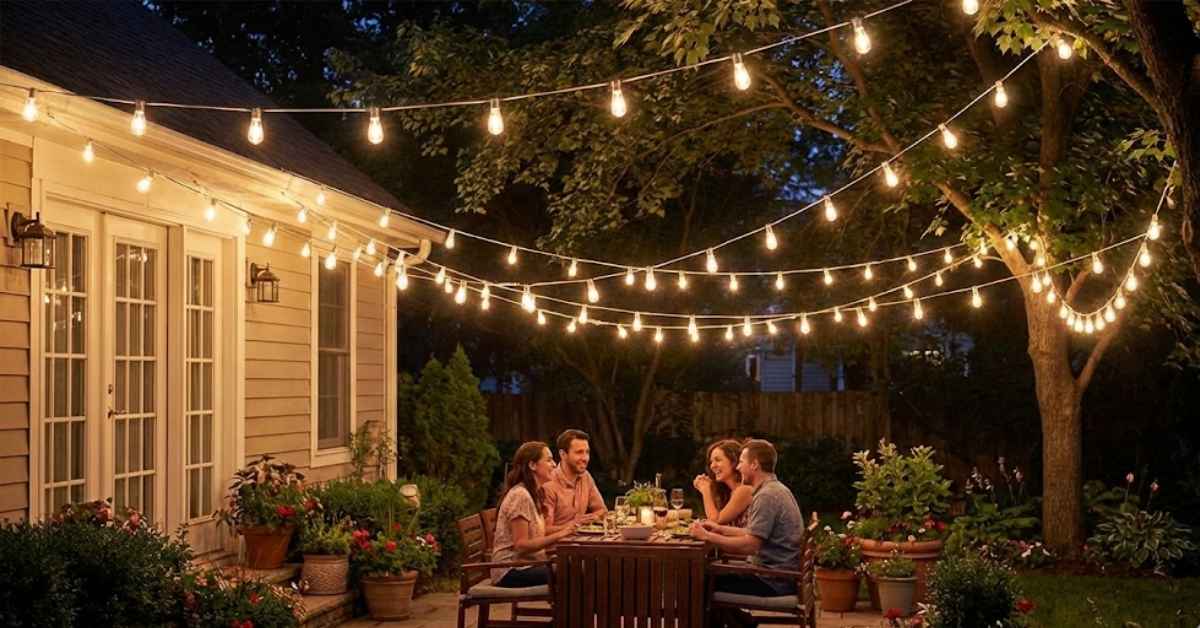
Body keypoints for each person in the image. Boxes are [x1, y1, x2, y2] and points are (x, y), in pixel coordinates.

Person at [690, 439, 804, 598]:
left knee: (696, 581)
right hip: (775, 574)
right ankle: (742, 622)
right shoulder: (774, 489)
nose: (738, 467)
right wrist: (720, 529)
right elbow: (753, 533)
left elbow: (750, 546)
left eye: (741, 462)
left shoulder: (767, 496)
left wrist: (708, 536)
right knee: (702, 577)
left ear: (754, 465)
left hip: (773, 580)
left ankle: (741, 623)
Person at [490, 441, 576, 587]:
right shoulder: (520, 495)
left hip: (528, 564)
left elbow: (537, 534)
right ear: (532, 465)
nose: (555, 464)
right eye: (549, 460)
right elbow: (521, 545)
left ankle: (572, 610)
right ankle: (571, 610)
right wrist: (560, 535)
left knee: (577, 566)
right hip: (510, 570)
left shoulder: (533, 493)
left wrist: (569, 529)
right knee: (573, 572)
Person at [542, 429, 608, 534]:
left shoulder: (586, 476)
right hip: (555, 548)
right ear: (563, 454)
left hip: (580, 543)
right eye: (579, 452)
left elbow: (602, 510)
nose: (585, 458)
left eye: (587, 452)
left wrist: (593, 517)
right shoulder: (548, 484)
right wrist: (575, 524)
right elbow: (544, 529)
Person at [693, 438, 754, 527]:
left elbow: (715, 521)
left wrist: (705, 490)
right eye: (711, 462)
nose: (712, 466)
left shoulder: (744, 489)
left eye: (718, 460)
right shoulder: (729, 491)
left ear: (733, 462)